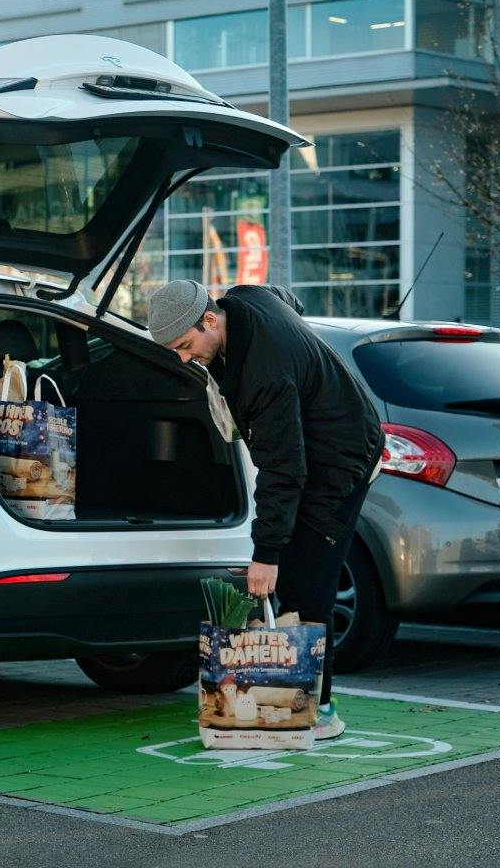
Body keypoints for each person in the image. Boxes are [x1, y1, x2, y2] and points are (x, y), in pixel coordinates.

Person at [147, 280, 383, 740]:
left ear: (210, 319)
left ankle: (320, 710)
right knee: (296, 575)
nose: (183, 357)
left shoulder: (265, 373)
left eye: (185, 345)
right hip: (319, 444)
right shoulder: (247, 297)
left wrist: (266, 555)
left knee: (307, 584)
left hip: (340, 463)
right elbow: (287, 299)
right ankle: (298, 696)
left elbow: (283, 470)